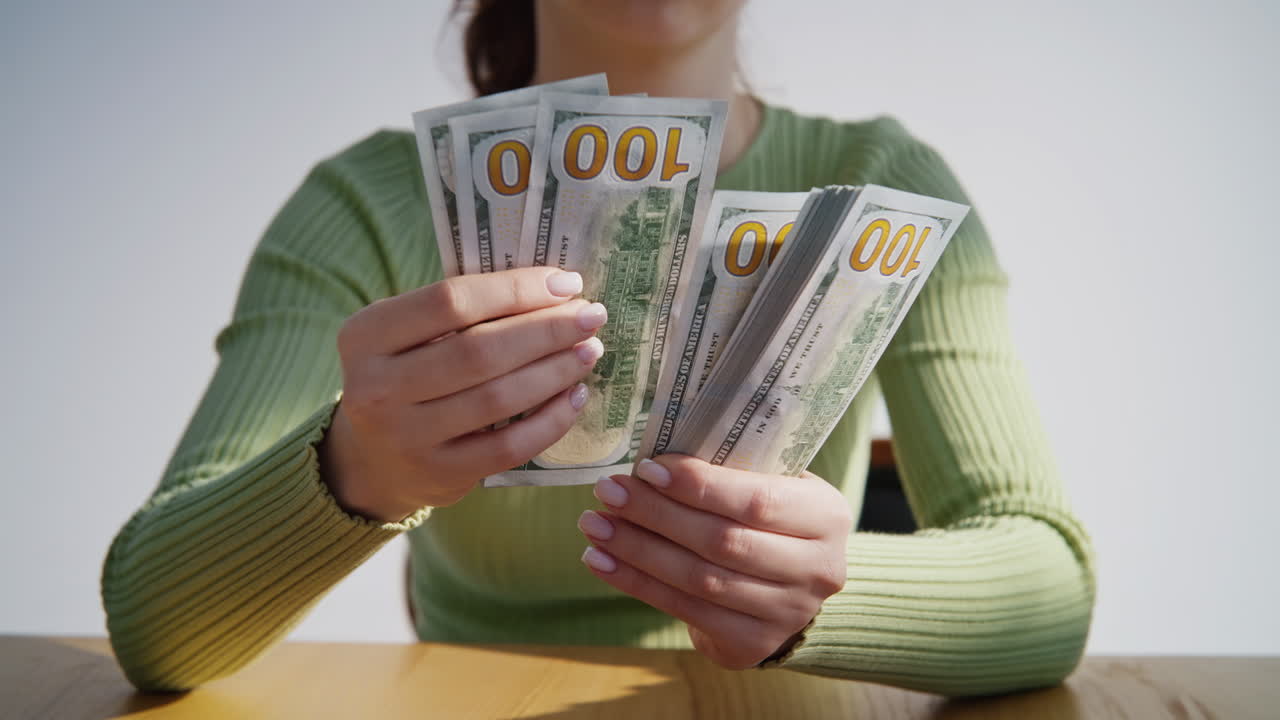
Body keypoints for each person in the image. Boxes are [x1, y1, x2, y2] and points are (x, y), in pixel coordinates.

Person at [101, 0, 1095, 697]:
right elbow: (156, 626)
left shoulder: (881, 176)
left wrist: (828, 597)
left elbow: (1047, 589)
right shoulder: (363, 206)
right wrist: (356, 466)